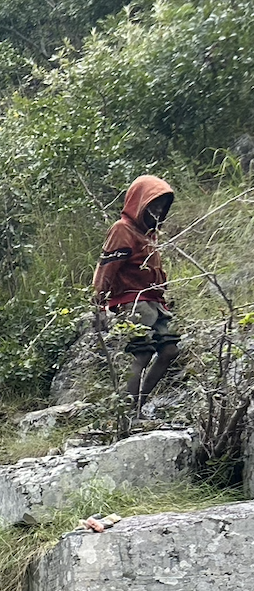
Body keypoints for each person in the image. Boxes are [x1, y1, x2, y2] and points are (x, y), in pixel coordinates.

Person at [93, 175, 178, 414]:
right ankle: (128, 413)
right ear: (139, 202)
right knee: (141, 352)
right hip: (133, 301)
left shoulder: (150, 235)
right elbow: (106, 268)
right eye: (153, 205)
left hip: (154, 301)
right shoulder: (122, 230)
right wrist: (99, 305)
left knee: (170, 350)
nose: (157, 211)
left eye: (162, 207)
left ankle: (138, 403)